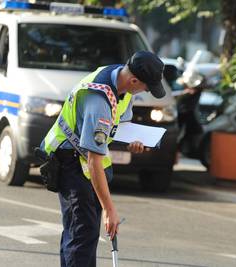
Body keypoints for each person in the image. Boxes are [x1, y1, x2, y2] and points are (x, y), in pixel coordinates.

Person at [39, 51, 165, 267]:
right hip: (70, 161)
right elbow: (94, 161)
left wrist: (132, 141)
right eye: (146, 86)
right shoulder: (99, 100)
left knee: (81, 234)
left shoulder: (121, 80)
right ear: (134, 80)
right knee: (81, 234)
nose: (145, 91)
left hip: (83, 161)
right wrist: (110, 209)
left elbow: (117, 124)